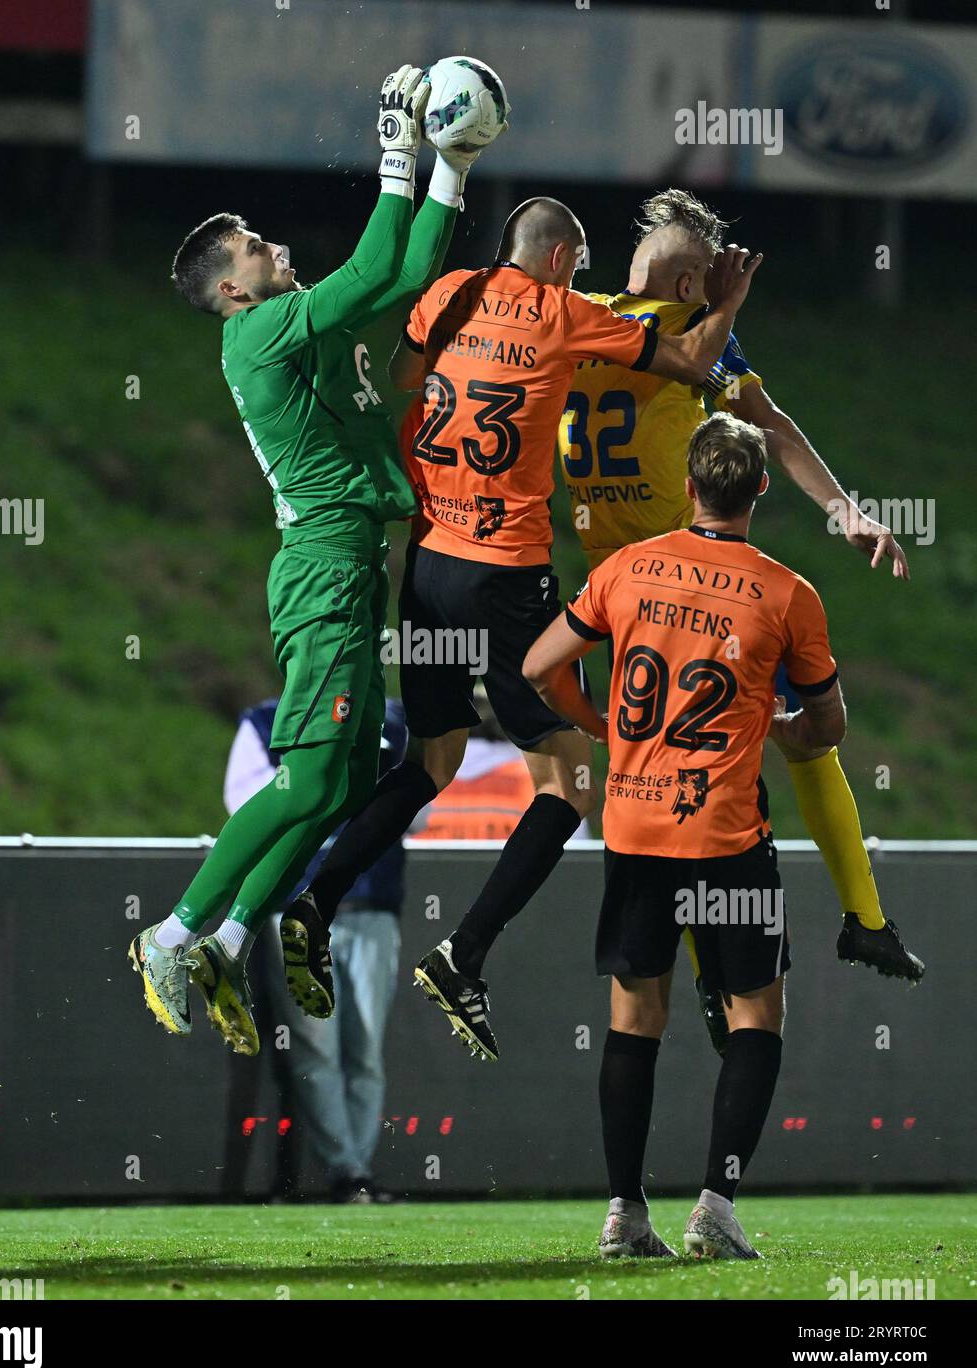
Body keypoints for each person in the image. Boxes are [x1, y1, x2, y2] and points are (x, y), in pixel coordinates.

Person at [281, 196, 763, 1062]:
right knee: (571, 784)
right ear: (558, 260)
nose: (583, 279)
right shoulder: (563, 313)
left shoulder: (451, 294)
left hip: (426, 565)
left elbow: (402, 375)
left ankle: (317, 899)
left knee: (429, 761)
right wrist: (726, 300)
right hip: (506, 575)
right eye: (577, 265)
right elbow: (693, 360)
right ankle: (464, 953)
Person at [128, 66, 496, 1052]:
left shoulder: (298, 326)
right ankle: (170, 934)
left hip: (346, 560)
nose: (269, 243)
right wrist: (396, 156)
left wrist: (449, 172)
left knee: (336, 787)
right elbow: (378, 269)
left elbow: (402, 273)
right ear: (234, 289)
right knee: (303, 781)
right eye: (252, 244)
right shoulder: (254, 338)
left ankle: (233, 937)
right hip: (324, 566)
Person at [557, 188, 923, 1052]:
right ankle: (855, 919)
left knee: (663, 794)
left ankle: (734, 973)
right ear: (695, 278)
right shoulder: (692, 335)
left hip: (625, 602)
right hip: (693, 593)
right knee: (802, 739)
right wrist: (846, 512)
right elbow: (772, 423)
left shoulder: (584, 313)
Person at [524, 412, 850, 1259]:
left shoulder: (627, 568)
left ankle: (625, 1216)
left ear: (688, 485)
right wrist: (779, 730)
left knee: (636, 1016)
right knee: (755, 1014)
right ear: (761, 489)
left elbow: (535, 666)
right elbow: (828, 727)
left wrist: (594, 721)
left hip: (634, 826)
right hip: (725, 836)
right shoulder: (788, 594)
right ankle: (716, 1206)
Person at [225, 700, 408, 1203]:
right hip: (300, 905)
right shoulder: (266, 721)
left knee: (364, 1049)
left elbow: (419, 806)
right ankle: (348, 1172)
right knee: (318, 1048)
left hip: (371, 905)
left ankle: (357, 1171)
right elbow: (246, 806)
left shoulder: (390, 719)